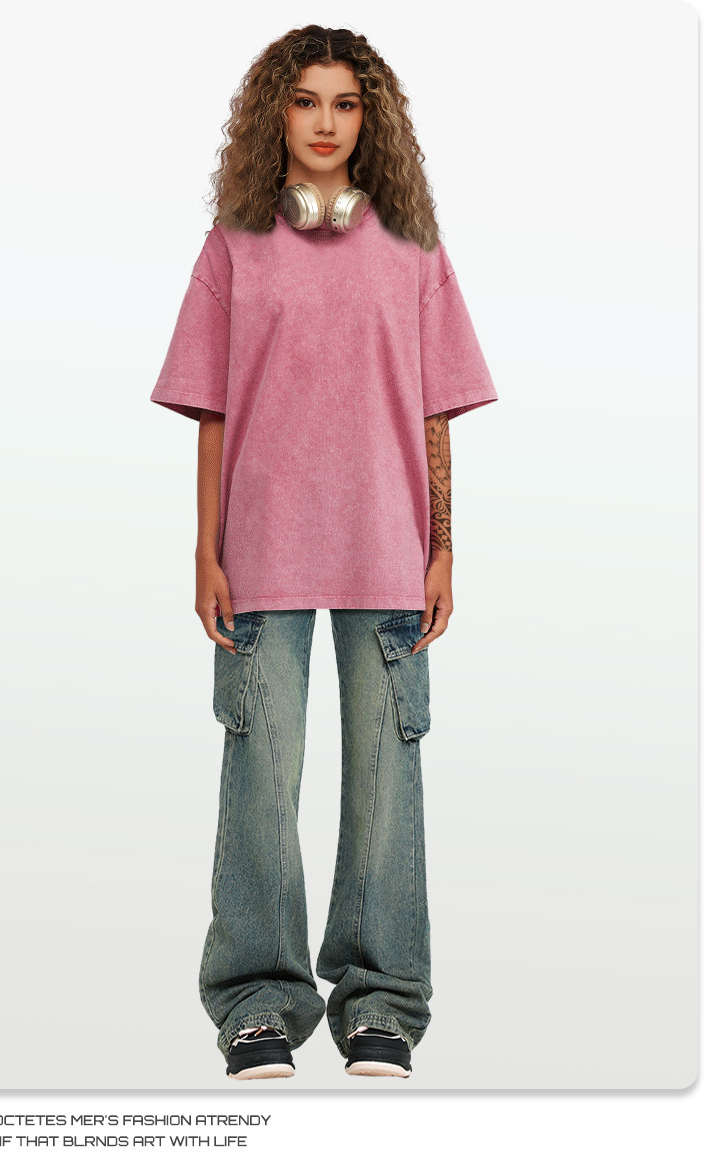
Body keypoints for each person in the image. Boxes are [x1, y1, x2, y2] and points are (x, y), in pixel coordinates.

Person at [150, 25, 498, 1081]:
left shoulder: (413, 247)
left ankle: (380, 999)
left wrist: (444, 548)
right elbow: (210, 410)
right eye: (306, 101)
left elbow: (437, 408)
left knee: (386, 780)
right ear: (277, 113)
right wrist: (204, 550)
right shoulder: (233, 246)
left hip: (388, 549)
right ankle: (257, 999)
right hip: (260, 552)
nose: (325, 122)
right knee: (261, 773)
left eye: (345, 103)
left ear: (369, 118)